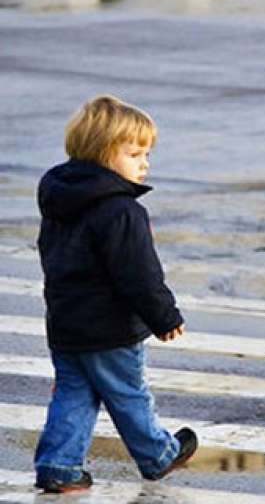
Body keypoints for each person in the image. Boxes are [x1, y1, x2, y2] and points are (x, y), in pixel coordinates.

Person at [33, 95, 198, 493]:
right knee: (128, 393)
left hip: (66, 323)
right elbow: (138, 273)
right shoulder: (122, 211)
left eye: (146, 154)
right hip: (111, 328)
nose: (145, 163)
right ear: (105, 154)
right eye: (135, 153)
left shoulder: (59, 200)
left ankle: (59, 466)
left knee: (74, 394)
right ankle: (158, 454)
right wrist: (165, 316)